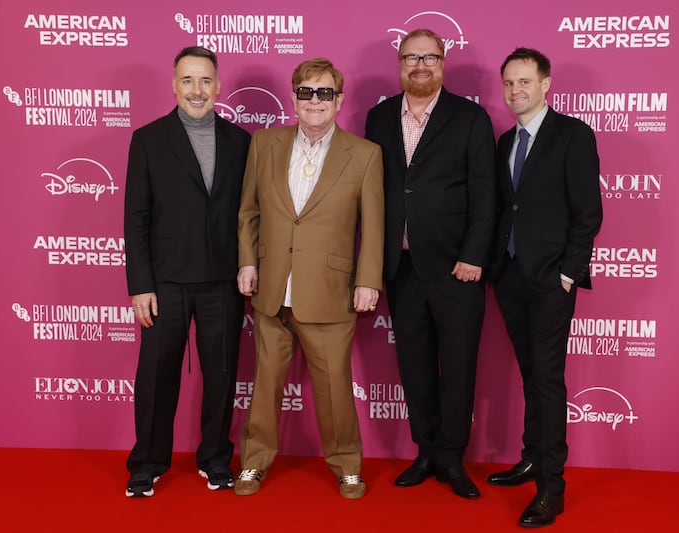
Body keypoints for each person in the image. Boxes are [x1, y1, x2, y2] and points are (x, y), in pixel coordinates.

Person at [235, 57, 384, 499]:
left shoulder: (366, 154)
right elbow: (248, 212)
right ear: (294, 97)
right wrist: (248, 261)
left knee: (335, 388)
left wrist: (368, 279)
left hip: (331, 291)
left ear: (339, 100)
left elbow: (373, 225)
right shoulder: (264, 143)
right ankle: (253, 461)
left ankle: (347, 465)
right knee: (265, 384)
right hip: (271, 289)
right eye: (306, 92)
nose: (314, 101)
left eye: (324, 93)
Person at [365, 28, 497, 499]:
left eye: (429, 57)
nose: (420, 65)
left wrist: (473, 257)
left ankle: (451, 458)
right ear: (399, 64)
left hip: (456, 270)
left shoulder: (470, 117)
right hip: (401, 270)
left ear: (443, 62)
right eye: (410, 57)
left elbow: (487, 195)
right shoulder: (378, 117)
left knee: (458, 368)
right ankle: (424, 450)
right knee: (414, 365)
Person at [123, 46, 251, 497]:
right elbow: (135, 218)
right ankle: (147, 462)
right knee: (156, 376)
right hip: (165, 283)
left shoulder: (241, 141)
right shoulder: (148, 139)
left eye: (205, 81)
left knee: (221, 375)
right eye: (188, 81)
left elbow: (249, 213)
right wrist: (140, 285)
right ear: (174, 85)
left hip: (224, 281)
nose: (197, 90)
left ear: (218, 86)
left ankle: (216, 459)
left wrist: (249, 265)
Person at [487, 47, 603, 527]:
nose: (516, 91)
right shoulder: (504, 142)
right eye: (509, 83)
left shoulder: (573, 135)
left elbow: (588, 212)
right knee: (532, 373)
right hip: (511, 276)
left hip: (553, 279)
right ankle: (532, 457)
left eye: (525, 82)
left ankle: (551, 489)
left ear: (546, 84)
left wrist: (567, 273)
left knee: (549, 381)